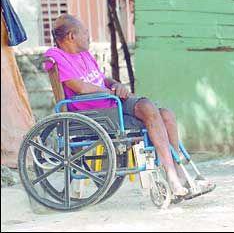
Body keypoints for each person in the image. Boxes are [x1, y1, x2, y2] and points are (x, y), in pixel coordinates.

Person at [45, 14, 214, 197]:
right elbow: (80, 86)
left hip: (112, 104)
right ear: (71, 36)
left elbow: (102, 79)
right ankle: (172, 177)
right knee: (148, 107)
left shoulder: (84, 55)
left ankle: (178, 171)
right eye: (85, 33)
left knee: (166, 115)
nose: (89, 37)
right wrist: (111, 93)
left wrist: (115, 84)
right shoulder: (55, 56)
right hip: (98, 112)